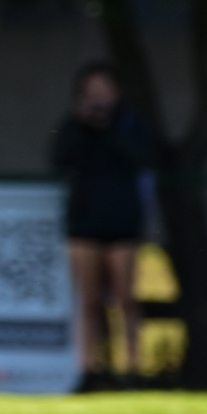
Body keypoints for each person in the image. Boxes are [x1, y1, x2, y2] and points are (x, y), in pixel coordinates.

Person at [52, 62, 150, 391]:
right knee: (89, 300)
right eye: (91, 92)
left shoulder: (129, 124)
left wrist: (109, 127)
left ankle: (132, 368)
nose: (97, 99)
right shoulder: (74, 128)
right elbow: (57, 158)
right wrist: (81, 124)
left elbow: (142, 158)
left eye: (103, 91)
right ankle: (88, 369)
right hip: (84, 221)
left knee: (125, 297)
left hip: (122, 221)